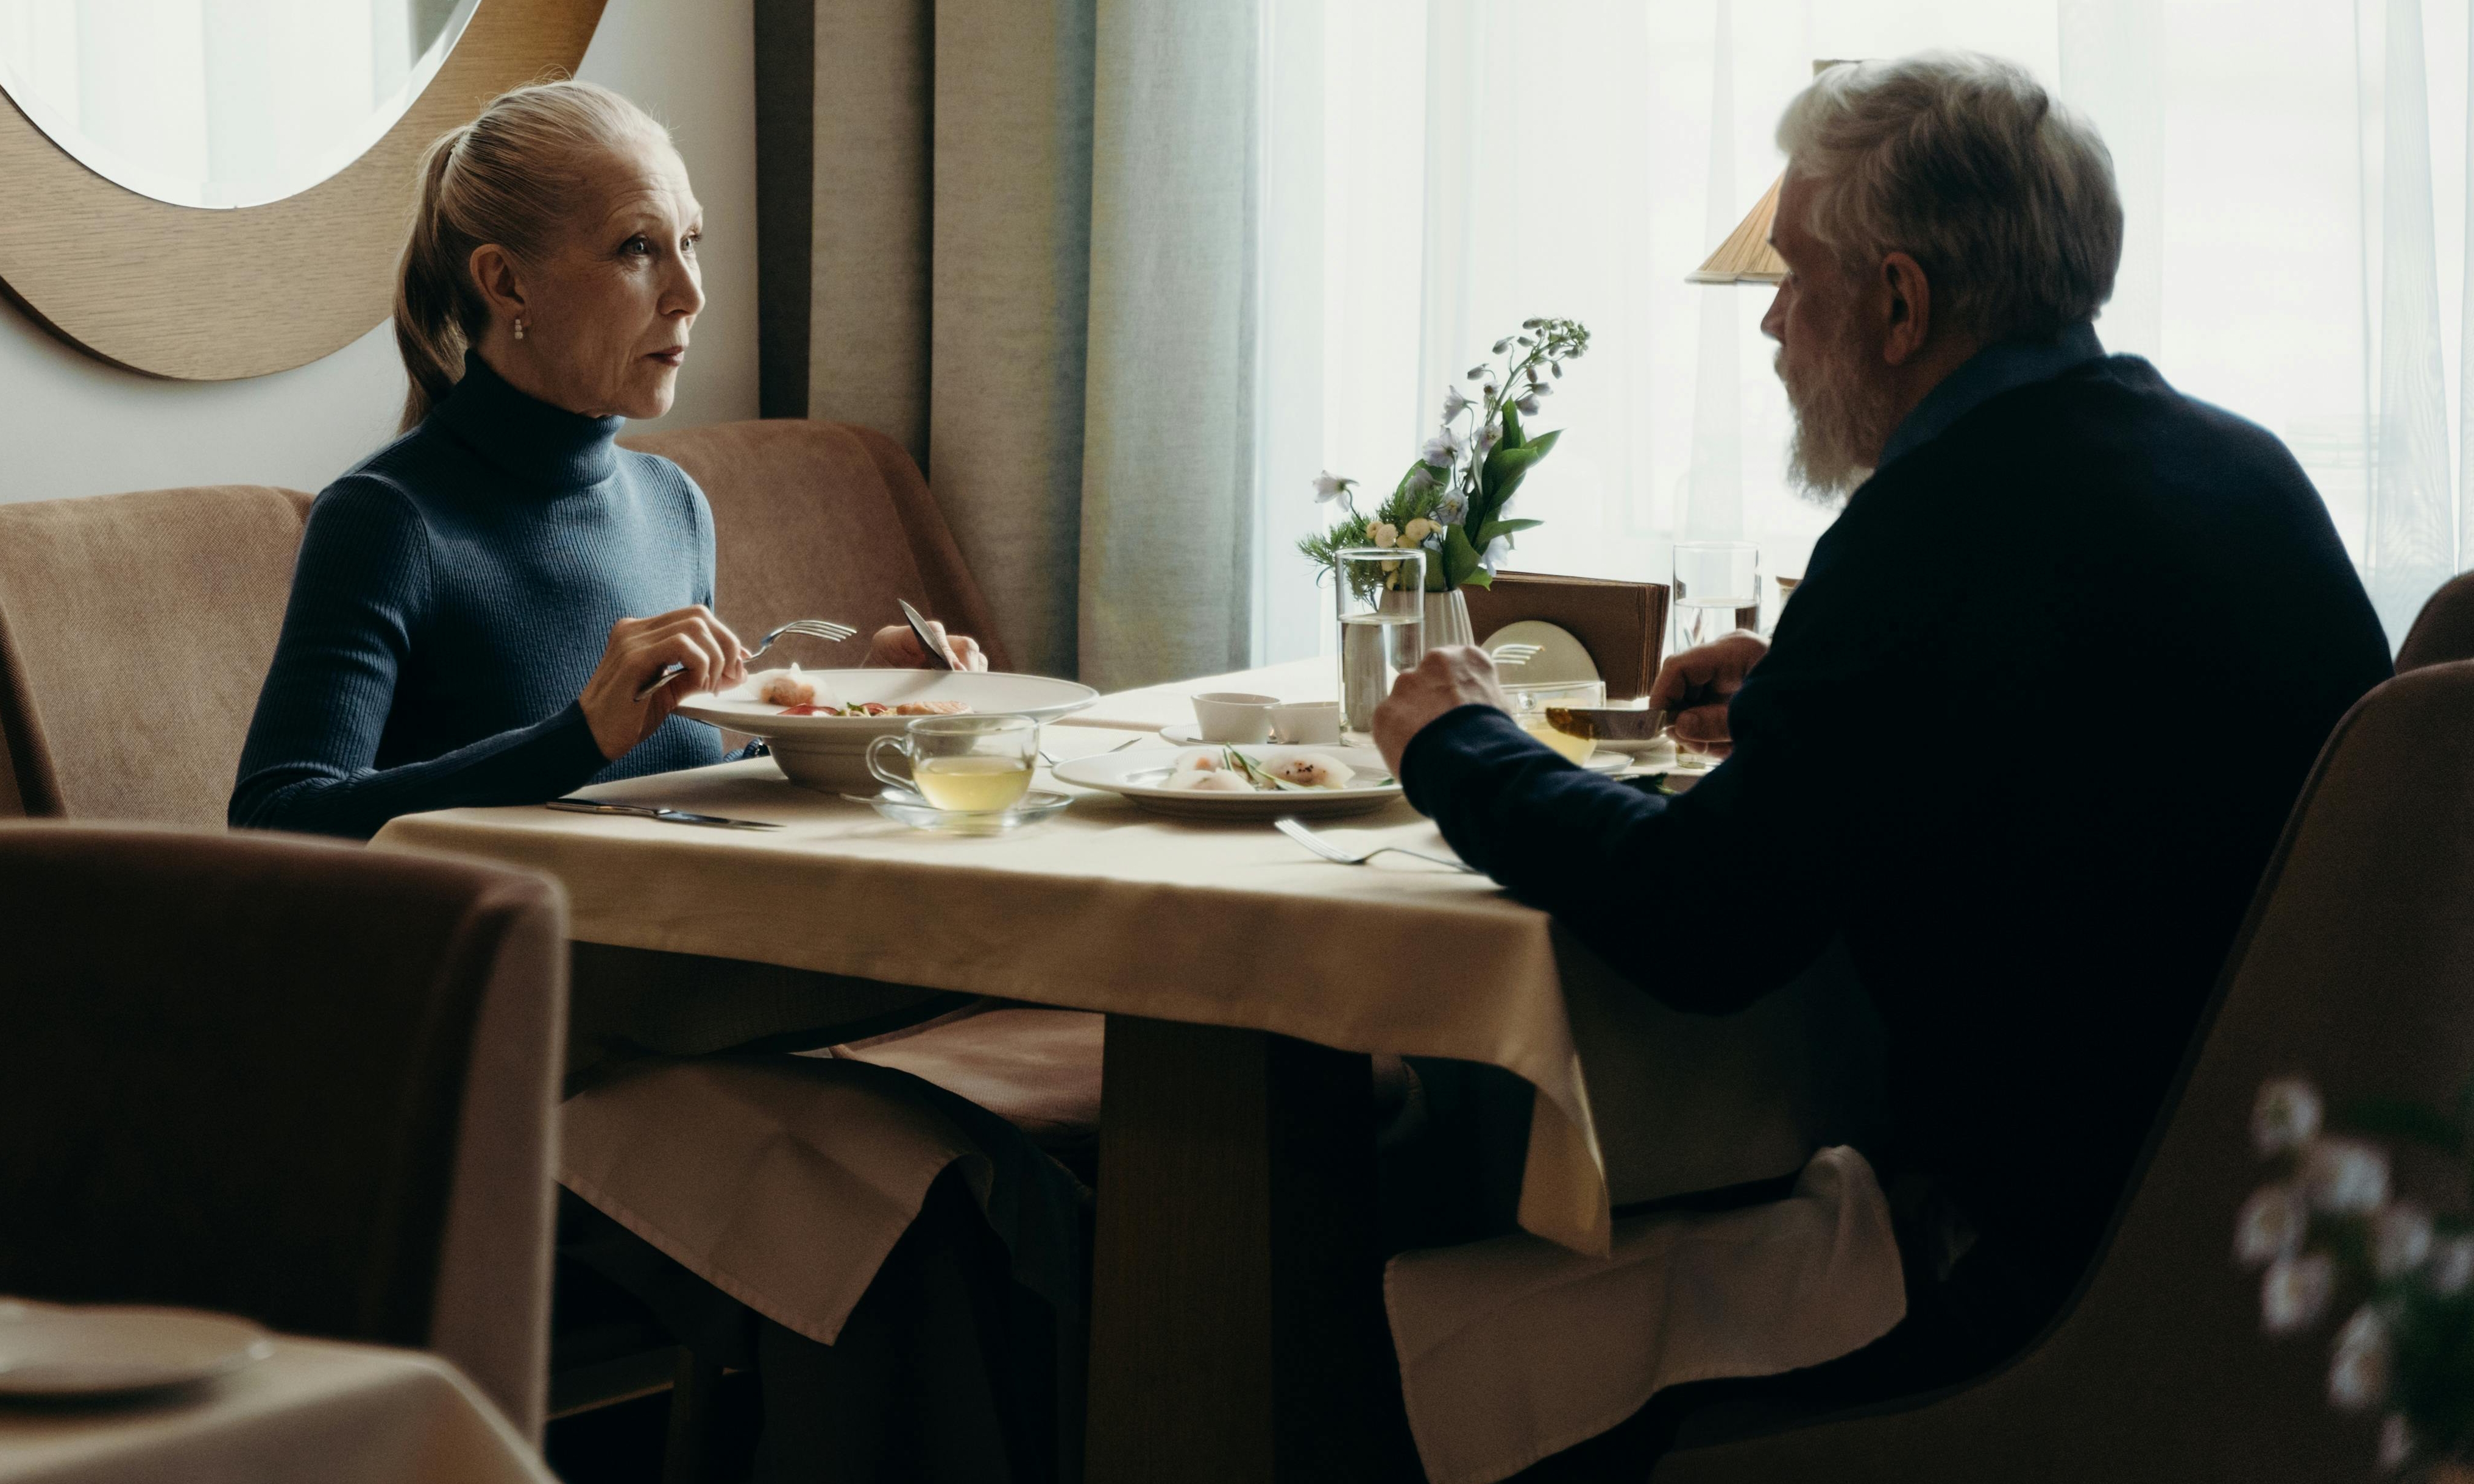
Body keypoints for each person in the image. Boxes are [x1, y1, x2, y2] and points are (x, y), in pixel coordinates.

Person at [1373, 51, 2392, 1465]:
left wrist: (1455, 744)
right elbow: (2071, 718)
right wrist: (1811, 696)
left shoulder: (1940, 523)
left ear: (1900, 302)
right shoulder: (2237, 466)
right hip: (2288, 1237)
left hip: (2065, 1278)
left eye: (1795, 277)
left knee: (1402, 1305)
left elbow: (1698, 921)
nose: (1775, 322)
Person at [229, 82, 1068, 1482]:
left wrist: (845, 704)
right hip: (528, 1058)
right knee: (911, 1213)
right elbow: (274, 821)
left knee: (1000, 1181)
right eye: (636, 250)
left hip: (697, 1010)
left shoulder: (669, 501)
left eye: (690, 243)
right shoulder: (388, 520)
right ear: (505, 284)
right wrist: (575, 734)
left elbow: (669, 771)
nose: (687, 289)